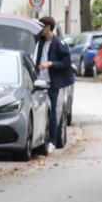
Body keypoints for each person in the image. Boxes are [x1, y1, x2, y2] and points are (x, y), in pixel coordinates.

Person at [34, 16, 73, 151]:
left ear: (48, 27)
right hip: (37, 83)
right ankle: (39, 140)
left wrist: (51, 63)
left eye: (41, 26)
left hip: (51, 84)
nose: (39, 29)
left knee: (52, 113)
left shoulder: (59, 44)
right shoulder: (39, 42)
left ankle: (52, 141)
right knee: (37, 113)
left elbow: (66, 63)